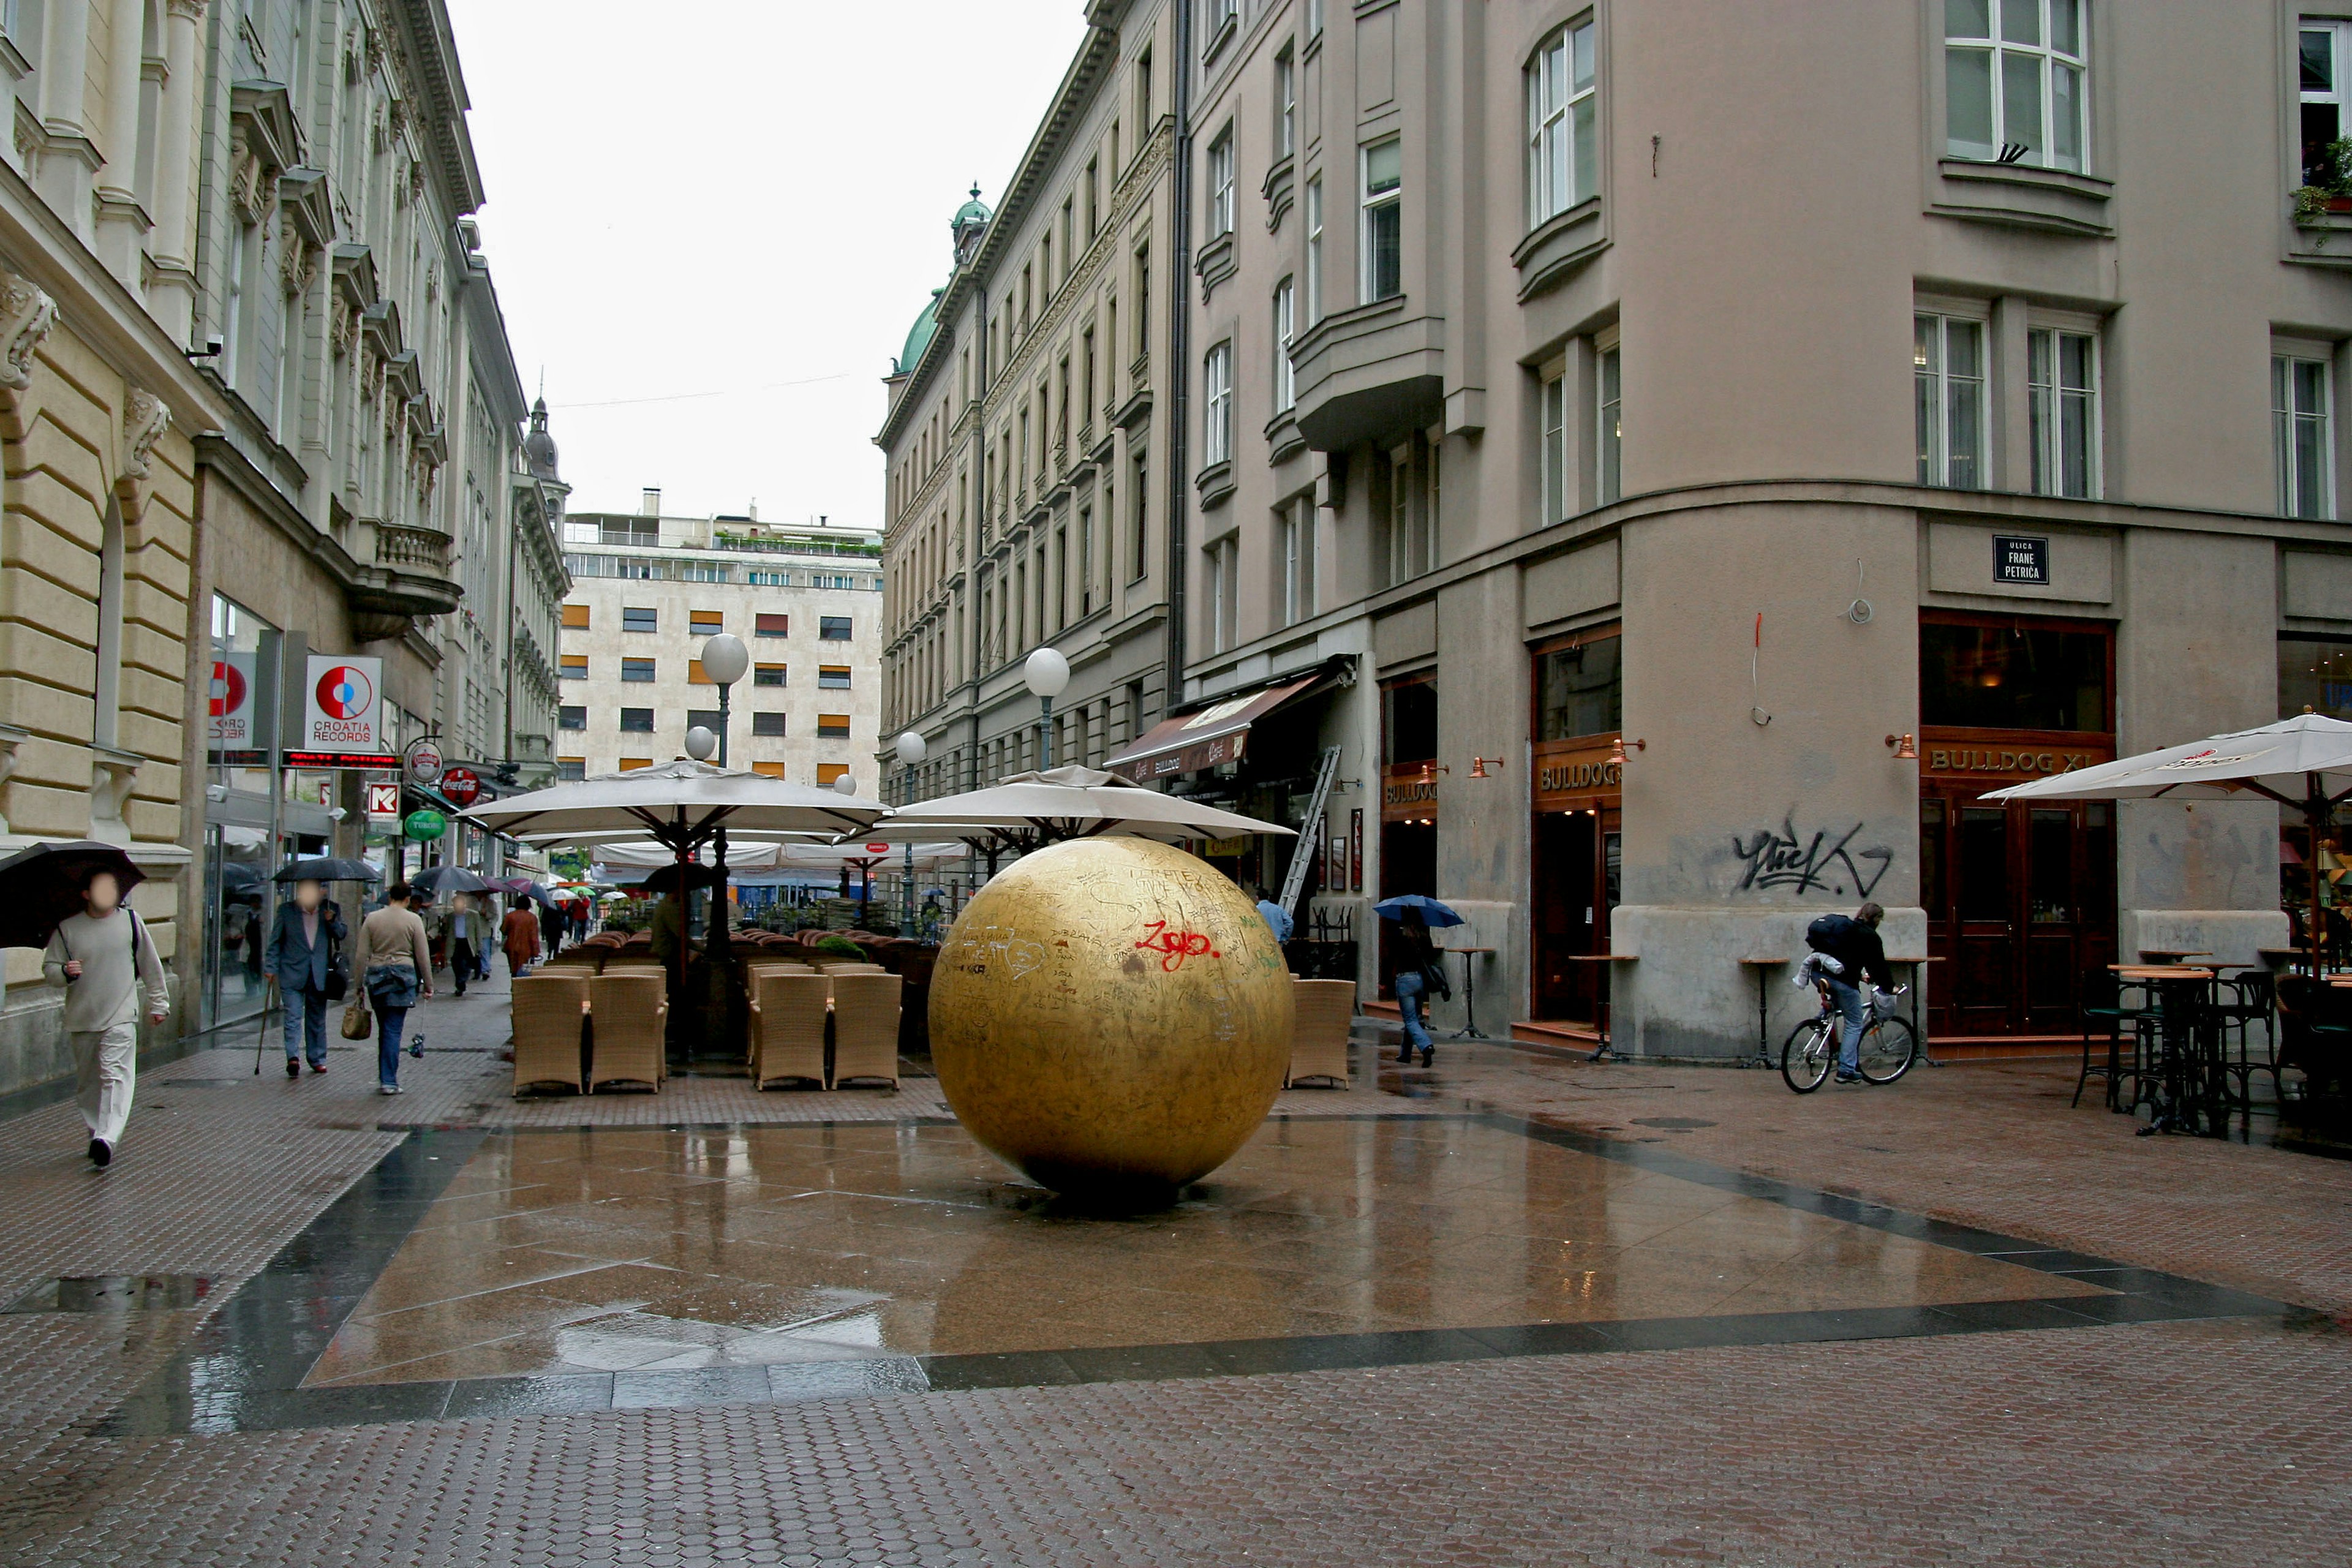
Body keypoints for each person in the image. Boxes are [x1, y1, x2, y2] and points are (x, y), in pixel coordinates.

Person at [42, 868, 168, 1167]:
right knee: (89, 1085)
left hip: (121, 1015)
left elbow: (151, 966)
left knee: (115, 1075)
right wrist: (64, 972)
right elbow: (50, 970)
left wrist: (159, 1003)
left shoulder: (131, 922)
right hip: (83, 1017)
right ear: (86, 895)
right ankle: (96, 1133)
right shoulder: (66, 929)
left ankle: (107, 1138)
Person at [352, 881, 432, 1095]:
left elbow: (361, 955)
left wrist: (358, 983)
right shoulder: (414, 920)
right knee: (393, 1029)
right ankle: (389, 1081)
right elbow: (422, 955)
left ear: (389, 897)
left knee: (384, 1028)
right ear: (408, 899)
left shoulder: (373, 919)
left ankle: (385, 1077)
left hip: (378, 975)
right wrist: (429, 984)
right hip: (402, 976)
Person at [1804, 901, 1896, 1085]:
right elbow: (1878, 967)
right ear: (1877, 919)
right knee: (1854, 1022)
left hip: (1817, 973)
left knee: (1840, 997)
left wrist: (1860, 977)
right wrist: (1888, 987)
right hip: (1841, 981)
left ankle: (1821, 1020)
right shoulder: (1870, 936)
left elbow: (1844, 958)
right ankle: (1846, 1070)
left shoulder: (1844, 928)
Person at [263, 879, 346, 1078]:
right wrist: (271, 967)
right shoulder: (286, 911)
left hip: (319, 974)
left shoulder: (331, 909)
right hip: (292, 972)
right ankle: (293, 1057)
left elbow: (342, 934)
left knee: (316, 1019)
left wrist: (332, 921)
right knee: (293, 1016)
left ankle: (317, 1059)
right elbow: (276, 942)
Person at [1388, 907, 1448, 1068]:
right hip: (1420, 981)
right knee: (1414, 1017)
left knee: (1410, 1019)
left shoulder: (1400, 936)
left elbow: (1391, 958)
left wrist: (1385, 981)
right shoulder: (1424, 937)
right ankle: (1405, 1054)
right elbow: (1431, 958)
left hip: (1404, 980)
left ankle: (1426, 1046)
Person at [445, 892, 479, 997]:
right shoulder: (451, 916)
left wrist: (479, 946)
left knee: (466, 965)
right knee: (456, 965)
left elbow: (478, 931)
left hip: (467, 942)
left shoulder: (473, 915)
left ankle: (461, 983)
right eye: (455, 904)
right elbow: (447, 930)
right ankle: (460, 983)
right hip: (455, 943)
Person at [502, 895, 542, 979]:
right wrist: (536, 951)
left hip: (511, 946)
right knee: (524, 970)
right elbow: (533, 936)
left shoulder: (510, 916)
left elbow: (503, 930)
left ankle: (514, 982)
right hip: (527, 948)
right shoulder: (532, 918)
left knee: (514, 969)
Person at [537, 892, 565, 959]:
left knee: (550, 941)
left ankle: (550, 952)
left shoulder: (547, 907)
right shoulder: (559, 907)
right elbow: (563, 917)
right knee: (556, 942)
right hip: (557, 928)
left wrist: (544, 928)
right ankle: (555, 954)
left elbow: (544, 918)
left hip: (550, 928)